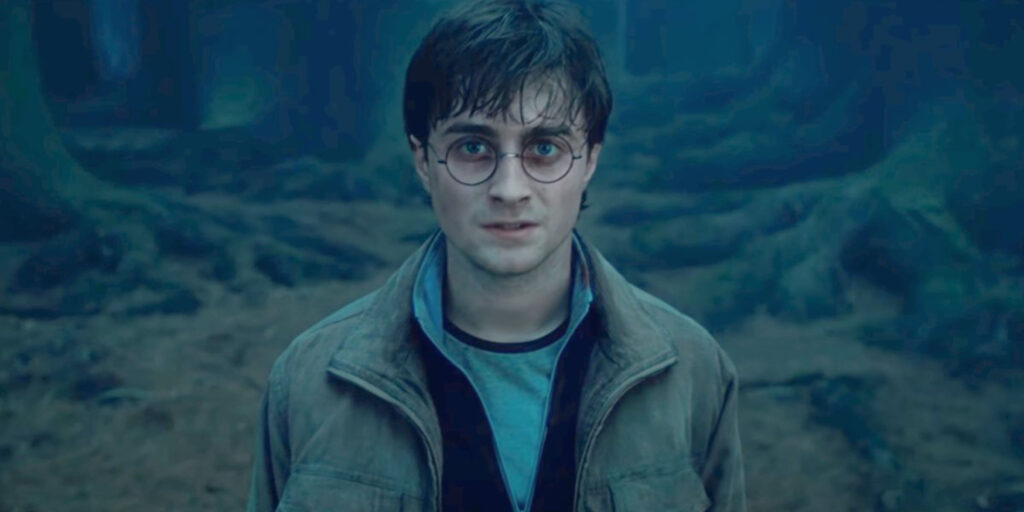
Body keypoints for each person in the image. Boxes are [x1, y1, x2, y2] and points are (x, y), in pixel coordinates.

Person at [246, 0, 746, 510]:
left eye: (544, 148)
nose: (509, 189)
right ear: (423, 161)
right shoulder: (307, 381)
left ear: (590, 161)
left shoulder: (694, 370)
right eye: (473, 147)